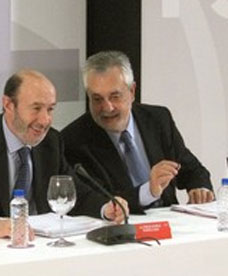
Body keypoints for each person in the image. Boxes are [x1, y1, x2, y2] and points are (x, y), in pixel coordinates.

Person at [0, 69, 128, 238]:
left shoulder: (51, 141)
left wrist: (106, 207)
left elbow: (76, 193)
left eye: (50, 109)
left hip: (40, 246)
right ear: (9, 105)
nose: (44, 120)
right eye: (36, 109)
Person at [61, 51, 214, 214]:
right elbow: (96, 199)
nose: (107, 108)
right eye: (97, 99)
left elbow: (191, 169)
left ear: (132, 91)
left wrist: (199, 188)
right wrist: (149, 191)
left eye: (115, 96)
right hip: (119, 229)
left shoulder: (158, 119)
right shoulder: (73, 139)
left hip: (169, 226)